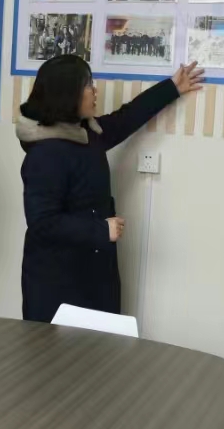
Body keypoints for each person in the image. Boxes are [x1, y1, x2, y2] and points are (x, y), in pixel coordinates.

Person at [17, 56, 205, 323]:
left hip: (93, 274)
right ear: (67, 94)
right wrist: (101, 229)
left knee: (101, 348)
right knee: (59, 351)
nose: (94, 91)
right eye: (87, 85)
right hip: (57, 284)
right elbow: (42, 223)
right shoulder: (45, 154)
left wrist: (172, 87)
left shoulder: (85, 134)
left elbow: (126, 119)